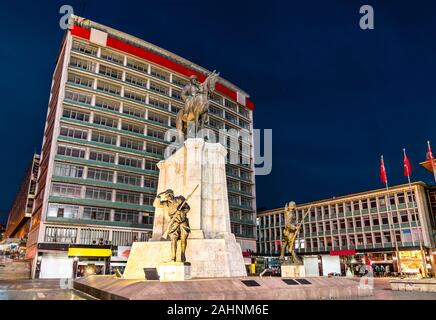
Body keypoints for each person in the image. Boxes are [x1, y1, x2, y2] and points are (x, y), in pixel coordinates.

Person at [154, 189, 191, 263]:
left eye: (170, 195)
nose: (169, 197)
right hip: (174, 222)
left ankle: (183, 255)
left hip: (183, 222)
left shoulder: (180, 199)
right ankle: (173, 257)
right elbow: (156, 205)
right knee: (173, 239)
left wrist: (181, 211)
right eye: (167, 196)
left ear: (172, 194)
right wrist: (158, 196)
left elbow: (187, 208)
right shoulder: (166, 203)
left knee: (183, 239)